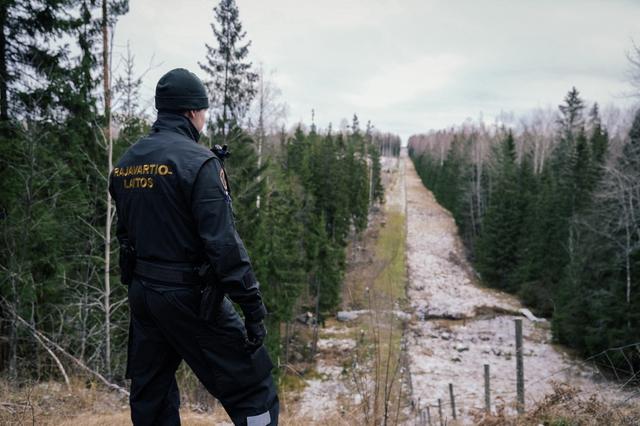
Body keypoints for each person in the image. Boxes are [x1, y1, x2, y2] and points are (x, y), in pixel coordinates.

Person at [109, 68, 279, 426]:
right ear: (191, 112)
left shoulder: (125, 163)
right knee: (254, 387)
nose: (204, 118)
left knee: (151, 394)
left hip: (143, 295)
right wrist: (253, 309)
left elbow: (124, 235)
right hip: (190, 298)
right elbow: (224, 248)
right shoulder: (199, 163)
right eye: (203, 111)